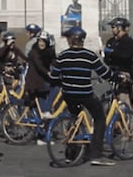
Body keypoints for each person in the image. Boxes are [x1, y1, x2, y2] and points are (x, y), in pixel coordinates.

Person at [48, 27, 116, 166]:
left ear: (70, 40)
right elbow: (105, 73)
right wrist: (117, 77)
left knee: (74, 119)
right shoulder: (89, 55)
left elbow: (54, 77)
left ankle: (71, 154)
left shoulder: (62, 56)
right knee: (99, 118)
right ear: (81, 40)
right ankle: (96, 154)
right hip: (85, 94)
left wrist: (65, 81)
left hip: (68, 94)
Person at [103, 17, 133, 108]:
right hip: (113, 71)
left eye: (113, 27)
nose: (112, 29)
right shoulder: (111, 41)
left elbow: (132, 54)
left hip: (124, 71)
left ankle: (127, 120)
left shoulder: (127, 41)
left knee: (123, 99)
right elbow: (106, 57)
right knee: (113, 96)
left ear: (120, 28)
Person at [25, 31, 57, 125]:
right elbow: (39, 66)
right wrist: (48, 72)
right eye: (40, 41)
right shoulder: (34, 52)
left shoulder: (48, 51)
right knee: (55, 86)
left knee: (42, 110)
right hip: (34, 81)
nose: (41, 43)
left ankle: (42, 129)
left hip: (42, 80)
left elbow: (54, 61)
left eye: (43, 41)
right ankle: (47, 110)